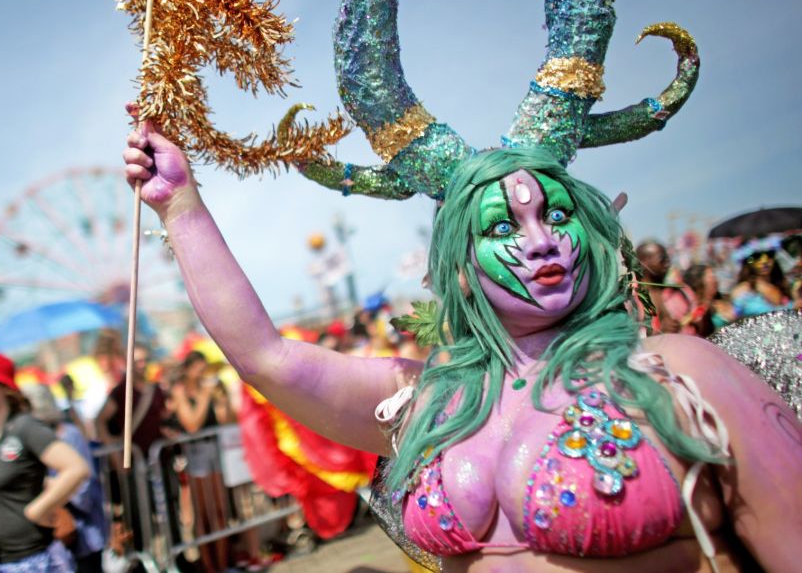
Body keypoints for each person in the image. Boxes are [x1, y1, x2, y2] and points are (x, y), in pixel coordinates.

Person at [123, 120, 802, 570]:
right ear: (459, 263)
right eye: (503, 226)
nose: (539, 241)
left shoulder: (679, 375)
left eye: (556, 215)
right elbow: (269, 359)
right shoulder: (435, 400)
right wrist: (180, 208)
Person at [0, 353, 90, 572]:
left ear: (4, 387)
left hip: (29, 560)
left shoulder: (25, 427)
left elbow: (76, 468)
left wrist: (37, 510)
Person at [22, 383, 107, 573]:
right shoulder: (27, 441)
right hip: (51, 535)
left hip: (81, 529)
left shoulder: (69, 434)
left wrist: (52, 486)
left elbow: (84, 486)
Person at [168, 350, 233, 573]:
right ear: (188, 370)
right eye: (199, 369)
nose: (204, 373)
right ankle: (209, 566)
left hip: (215, 449)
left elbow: (225, 421)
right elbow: (192, 424)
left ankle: (223, 564)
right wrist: (205, 395)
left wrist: (222, 399)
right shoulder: (180, 391)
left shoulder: (211, 389)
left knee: (220, 512)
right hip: (196, 455)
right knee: (204, 515)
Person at [635, 240, 697, 334]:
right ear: (643, 261)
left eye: (668, 258)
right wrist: (659, 331)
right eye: (662, 258)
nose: (667, 263)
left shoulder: (680, 292)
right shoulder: (630, 298)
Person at [730, 236, 792, 318]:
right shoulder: (742, 291)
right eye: (756, 256)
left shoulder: (785, 284)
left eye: (769, 254)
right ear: (747, 261)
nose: (764, 261)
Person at [682, 264, 737, 336]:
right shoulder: (693, 308)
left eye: (714, 276)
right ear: (698, 281)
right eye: (711, 276)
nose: (716, 279)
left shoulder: (724, 301)